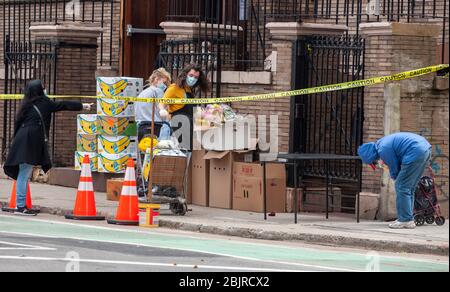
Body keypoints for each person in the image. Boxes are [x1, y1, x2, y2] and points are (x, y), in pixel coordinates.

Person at [3, 80, 93, 216]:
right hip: (31, 140)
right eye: (43, 88)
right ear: (39, 91)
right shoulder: (44, 103)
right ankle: (20, 207)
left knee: (23, 172)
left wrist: (14, 142)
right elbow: (63, 105)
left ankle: (21, 205)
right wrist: (83, 105)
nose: (45, 90)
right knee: (24, 173)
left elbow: (17, 123)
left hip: (21, 138)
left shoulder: (26, 105)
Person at [358, 132, 432, 229]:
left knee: (402, 186)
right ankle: (408, 218)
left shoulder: (383, 149)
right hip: (425, 149)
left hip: (415, 151)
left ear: (370, 156)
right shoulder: (382, 143)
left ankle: (405, 220)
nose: (375, 162)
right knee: (409, 188)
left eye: (373, 161)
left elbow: (394, 167)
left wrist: (395, 177)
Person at [160, 64, 209, 150]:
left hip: (190, 123)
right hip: (179, 122)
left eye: (196, 77)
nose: (193, 78)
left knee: (191, 148)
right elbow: (162, 102)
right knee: (186, 148)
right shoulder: (174, 88)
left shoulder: (189, 89)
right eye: (191, 75)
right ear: (185, 74)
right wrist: (162, 110)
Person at [134, 68, 172, 141]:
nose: (165, 86)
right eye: (164, 83)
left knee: (144, 150)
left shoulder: (144, 92)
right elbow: (162, 112)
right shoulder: (158, 91)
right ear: (156, 79)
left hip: (140, 127)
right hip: (154, 128)